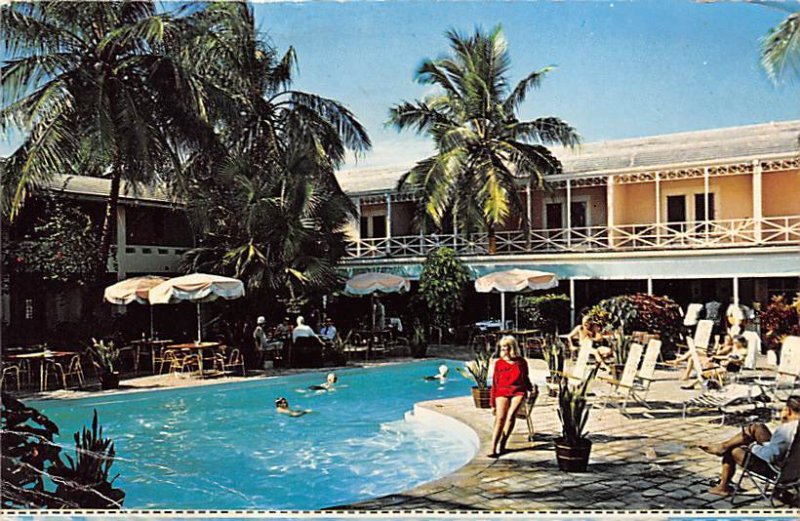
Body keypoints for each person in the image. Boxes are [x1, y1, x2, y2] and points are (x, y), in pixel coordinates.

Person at [699, 395, 800, 497]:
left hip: (779, 470)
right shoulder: (793, 428)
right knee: (757, 427)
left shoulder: (786, 429)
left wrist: (753, 447)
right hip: (792, 465)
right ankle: (723, 446)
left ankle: (723, 487)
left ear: (788, 411)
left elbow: (771, 456)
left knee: (734, 450)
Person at [489, 336, 533, 458]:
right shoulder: (499, 363)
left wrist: (530, 389)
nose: (503, 350)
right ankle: (493, 447)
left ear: (512, 348)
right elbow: (495, 383)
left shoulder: (521, 362)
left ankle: (503, 443)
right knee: (500, 418)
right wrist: (492, 403)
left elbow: (525, 378)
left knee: (511, 416)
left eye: (506, 348)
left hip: (518, 391)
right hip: (502, 391)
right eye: (502, 348)